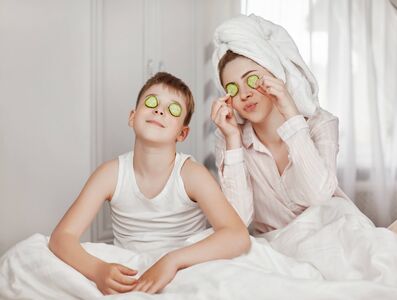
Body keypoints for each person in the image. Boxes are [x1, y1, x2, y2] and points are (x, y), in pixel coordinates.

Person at [210, 14, 397, 257]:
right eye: (232, 88)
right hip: (283, 252)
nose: (243, 94)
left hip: (339, 239)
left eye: (252, 79)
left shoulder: (321, 123)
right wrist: (233, 142)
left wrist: (291, 115)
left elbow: (317, 195)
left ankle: (367, 266)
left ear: (276, 74)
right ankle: (371, 270)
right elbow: (238, 221)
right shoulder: (229, 140)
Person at [49, 72, 250, 295]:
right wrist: (97, 270)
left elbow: (237, 235)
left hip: (183, 267)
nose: (159, 110)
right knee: (26, 254)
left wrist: (172, 260)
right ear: (132, 117)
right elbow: (62, 237)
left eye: (173, 109)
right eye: (151, 102)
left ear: (182, 133)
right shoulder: (110, 174)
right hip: (129, 266)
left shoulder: (192, 174)